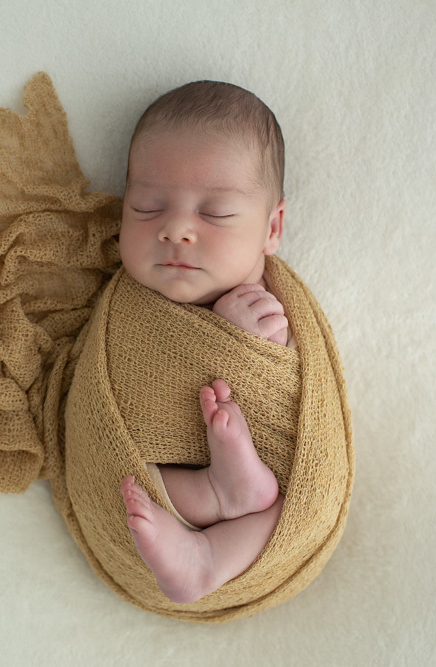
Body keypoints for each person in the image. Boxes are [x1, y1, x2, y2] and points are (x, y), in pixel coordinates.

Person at [116, 80, 292, 604]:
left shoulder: (261, 306)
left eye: (213, 213)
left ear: (272, 227)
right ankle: (216, 494)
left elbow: (284, 407)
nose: (175, 229)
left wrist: (250, 352)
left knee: (284, 504)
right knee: (116, 469)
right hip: (156, 491)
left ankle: (209, 558)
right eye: (147, 207)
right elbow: (97, 395)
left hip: (255, 507)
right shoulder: (127, 304)